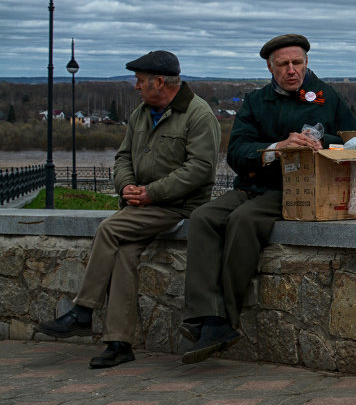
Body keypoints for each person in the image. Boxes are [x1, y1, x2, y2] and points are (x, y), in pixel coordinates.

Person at [179, 34, 356, 363]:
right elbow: (236, 152)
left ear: (306, 63)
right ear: (270, 67)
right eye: (283, 65)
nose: (292, 70)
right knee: (204, 217)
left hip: (298, 191)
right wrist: (276, 148)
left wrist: (321, 142)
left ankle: (223, 320)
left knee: (243, 221)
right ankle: (205, 314)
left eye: (298, 63)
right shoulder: (257, 101)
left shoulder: (326, 97)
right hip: (253, 184)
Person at [37, 51, 221, 368]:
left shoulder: (197, 114)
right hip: (142, 204)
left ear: (159, 82)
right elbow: (123, 158)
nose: (136, 87)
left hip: (179, 206)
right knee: (124, 254)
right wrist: (126, 187)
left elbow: (201, 170)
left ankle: (83, 311)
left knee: (110, 228)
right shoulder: (140, 113)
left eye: (139, 81)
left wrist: (152, 192)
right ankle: (119, 343)